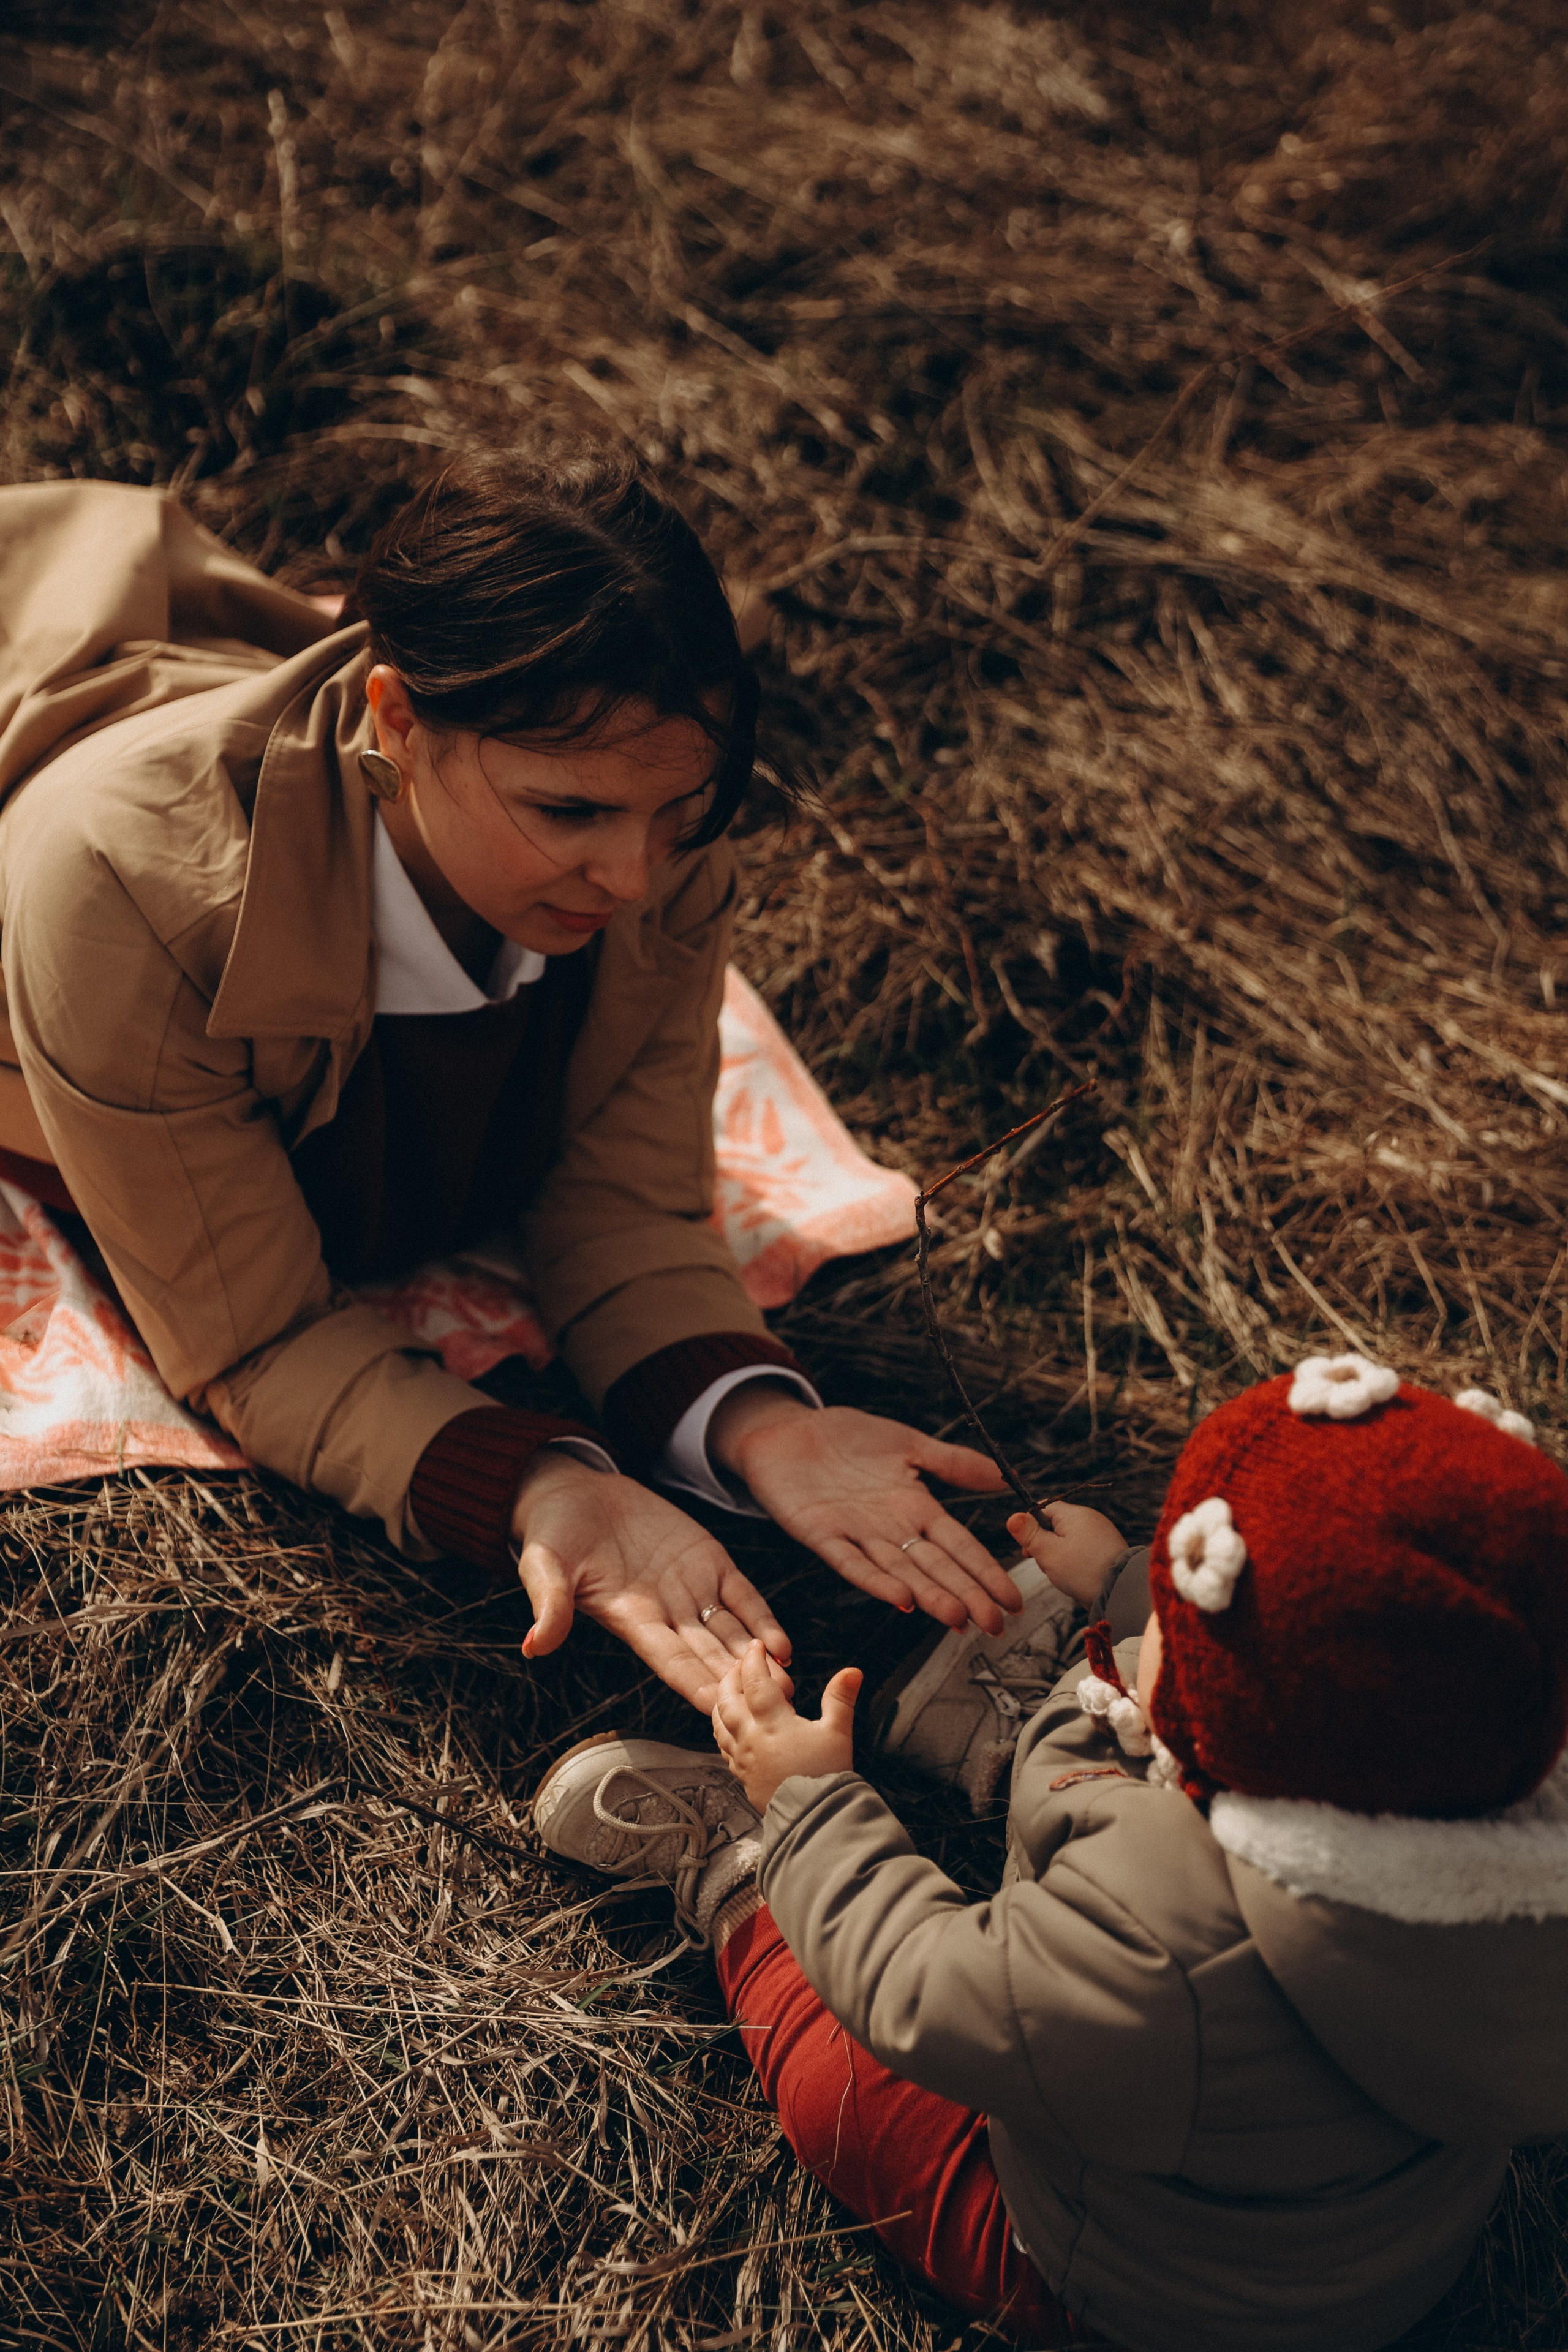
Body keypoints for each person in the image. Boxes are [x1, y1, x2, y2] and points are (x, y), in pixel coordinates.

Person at [0, 456, 1025, 1708]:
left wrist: (759, 1420)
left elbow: (624, 1197)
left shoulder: (659, 822)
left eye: (678, 813)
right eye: (569, 811)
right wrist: (536, 1485)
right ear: (395, 722)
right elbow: (254, 1334)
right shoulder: (127, 897)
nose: (634, 880)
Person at [533, 1354, 1568, 2351]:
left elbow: (915, 1980)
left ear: (1231, 1720)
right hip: (1360, 2248)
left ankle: (744, 1870)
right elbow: (1347, 1662)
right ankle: (993, 1742)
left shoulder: (1167, 1957)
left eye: (1178, 1609)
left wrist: (811, 1799)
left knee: (847, 2094)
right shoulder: (1490, 1754)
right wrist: (1122, 1586)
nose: (1160, 1609)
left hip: (1131, 2278)